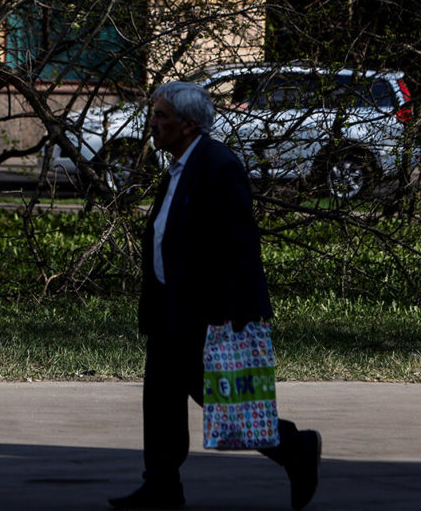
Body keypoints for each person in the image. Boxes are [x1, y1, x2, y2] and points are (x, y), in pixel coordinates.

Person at [108, 82, 322, 510]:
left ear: (188, 125)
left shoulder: (219, 165)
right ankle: (162, 485)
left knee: (221, 398)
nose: (153, 123)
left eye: (162, 117)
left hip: (205, 311)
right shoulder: (178, 166)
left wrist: (235, 313)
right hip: (171, 306)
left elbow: (239, 244)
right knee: (162, 397)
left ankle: (295, 447)